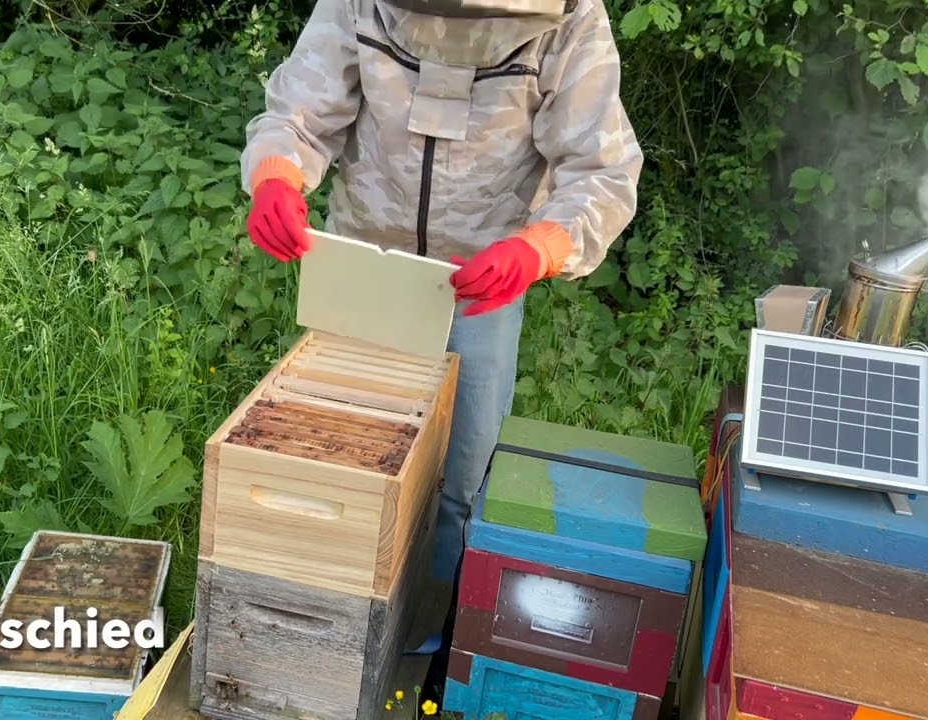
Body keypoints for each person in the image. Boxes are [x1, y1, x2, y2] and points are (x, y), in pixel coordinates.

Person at [238, 0, 642, 695]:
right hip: (364, 265)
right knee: (339, 467)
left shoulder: (572, 15)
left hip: (480, 282)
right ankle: (330, 632)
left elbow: (601, 170)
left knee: (462, 478)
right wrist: (277, 173)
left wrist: (540, 247)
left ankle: (429, 642)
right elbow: (300, 110)